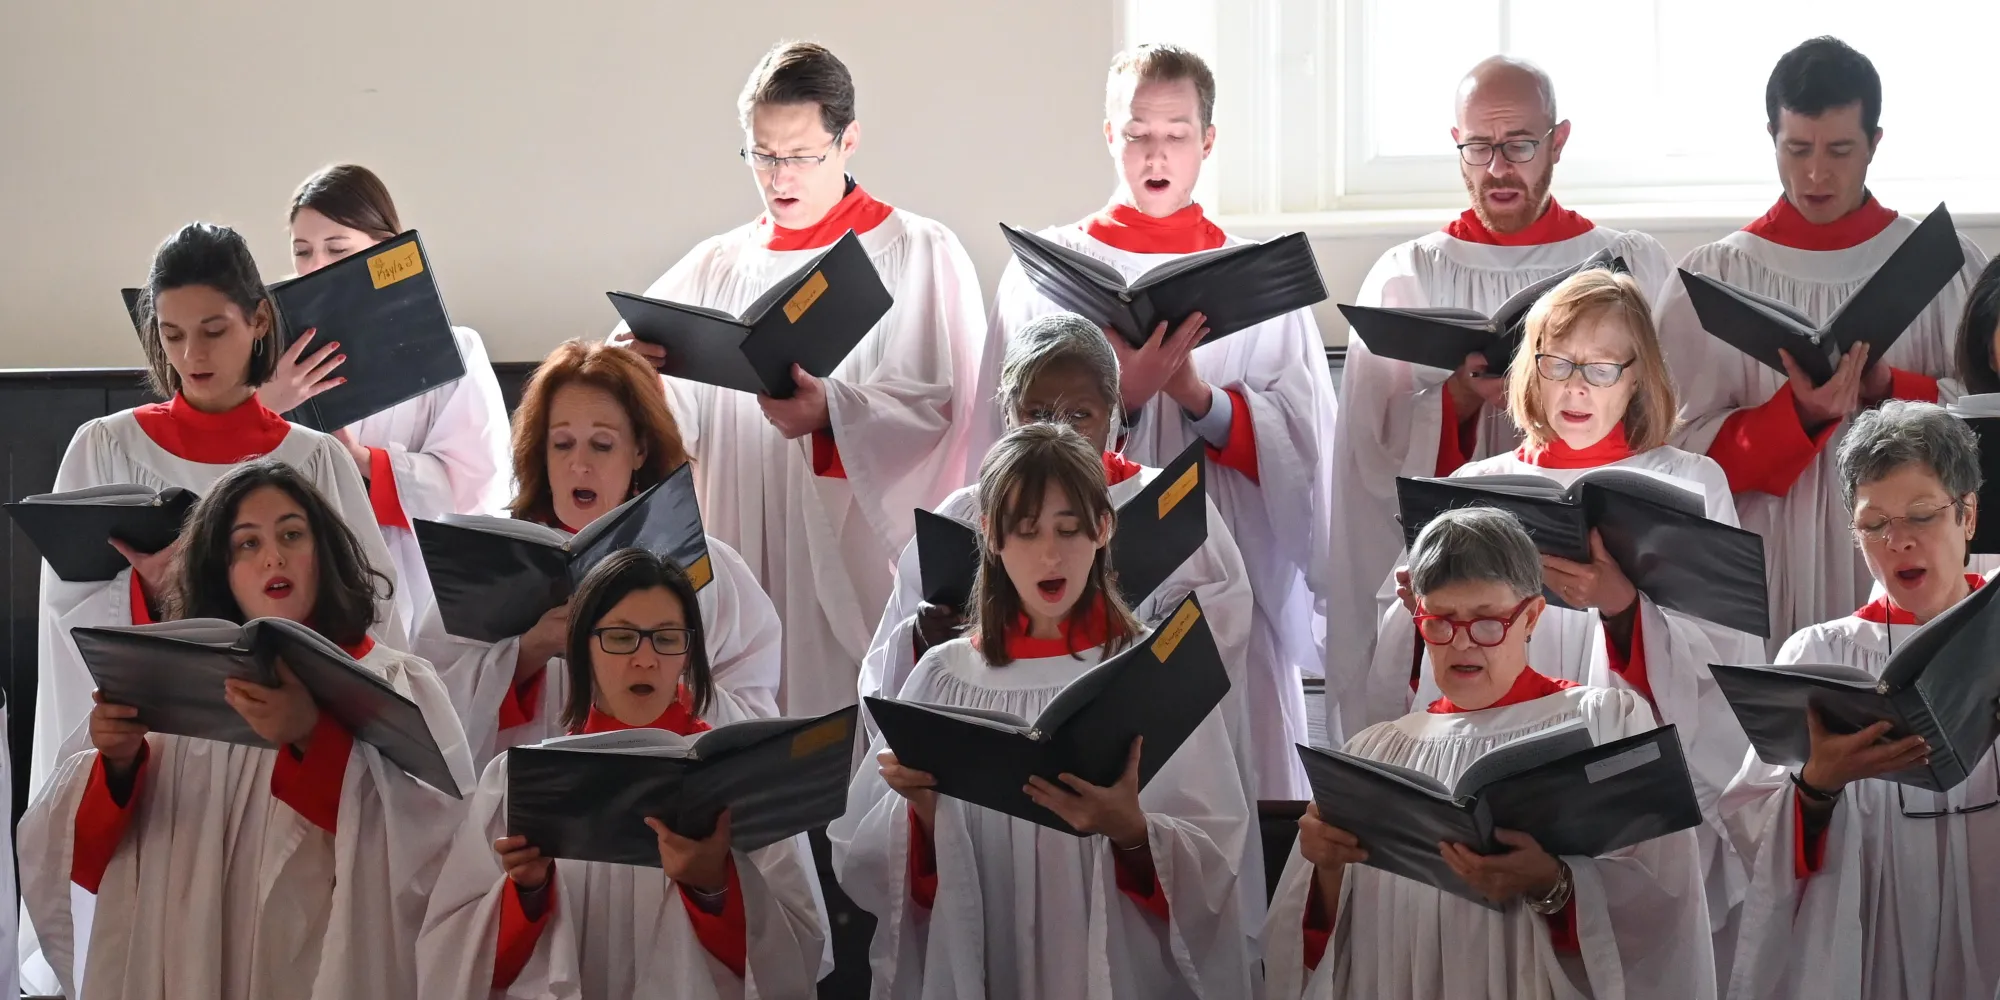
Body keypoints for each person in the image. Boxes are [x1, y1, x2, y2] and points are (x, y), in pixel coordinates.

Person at [1363, 268, 1760, 971]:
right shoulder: (1472, 489)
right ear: (1532, 370)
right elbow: (1401, 667)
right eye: (1559, 363)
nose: (1577, 388)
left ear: (1638, 379)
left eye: (1602, 368)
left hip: (1617, 770)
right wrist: (1415, 610)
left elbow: (1726, 658)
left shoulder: (1692, 483)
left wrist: (1623, 608)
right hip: (1485, 757)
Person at [982, 42, 1338, 771]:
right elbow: (1006, 432)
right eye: (1138, 131)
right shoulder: (1043, 276)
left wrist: (1197, 398)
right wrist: (1127, 397)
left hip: (1223, 553)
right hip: (1075, 551)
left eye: (1176, 133)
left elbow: (1307, 447)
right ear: (1109, 134)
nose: (1156, 153)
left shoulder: (1260, 280)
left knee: (1222, 769)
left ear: (1208, 140)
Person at [608, 41, 989, 717]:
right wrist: (642, 378)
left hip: (842, 551)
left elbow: (948, 410)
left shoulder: (916, 252)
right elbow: (643, 393)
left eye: (801, 156)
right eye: (762, 155)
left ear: (849, 141)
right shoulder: (716, 265)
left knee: (835, 713)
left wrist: (834, 413)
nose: (779, 177)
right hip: (736, 517)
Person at [18, 460, 474, 1000]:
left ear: (324, 552)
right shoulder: (172, 687)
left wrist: (313, 738)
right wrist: (118, 765)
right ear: (221, 570)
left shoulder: (396, 682)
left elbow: (436, 849)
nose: (273, 557)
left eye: (291, 534)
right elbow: (76, 855)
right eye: (247, 544)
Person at [831, 422, 1256, 998]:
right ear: (991, 535)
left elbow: (1218, 858)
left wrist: (1132, 833)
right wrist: (923, 814)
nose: (1050, 555)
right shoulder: (942, 677)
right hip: (990, 949)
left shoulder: (1155, 672)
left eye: (1069, 528)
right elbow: (864, 862)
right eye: (1026, 532)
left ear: (1103, 527)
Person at [1326, 54, 1679, 745]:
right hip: (1470, 592)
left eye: (1518, 145)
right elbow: (1369, 460)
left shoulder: (1629, 265)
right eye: (1478, 148)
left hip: (1592, 573)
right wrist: (1459, 399)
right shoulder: (1408, 274)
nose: (1497, 168)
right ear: (1455, 143)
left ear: (1558, 140)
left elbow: (1664, 417)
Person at [1266, 506, 1715, 999]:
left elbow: (1663, 904)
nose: (1462, 645)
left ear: (1531, 617)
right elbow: (1308, 949)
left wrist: (1554, 884)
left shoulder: (1607, 724)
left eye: (1486, 622)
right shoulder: (1375, 752)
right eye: (1440, 622)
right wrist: (1326, 868)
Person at [29, 223, 405, 802]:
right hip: (157, 749)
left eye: (213, 330)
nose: (192, 355)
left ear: (259, 321)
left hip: (280, 741)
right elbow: (64, 613)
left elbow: (371, 609)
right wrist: (147, 590)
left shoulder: (316, 460)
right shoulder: (105, 447)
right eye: (172, 334)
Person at [1657, 37, 1992, 647]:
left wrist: (1891, 390)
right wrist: (1797, 417)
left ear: (1874, 143)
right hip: (1771, 546)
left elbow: (1986, 419)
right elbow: (1670, 453)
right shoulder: (1715, 277)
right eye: (1797, 148)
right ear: (1772, 136)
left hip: (1917, 546)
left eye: (1840, 150)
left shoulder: (1946, 267)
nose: (1816, 173)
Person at [417, 548, 827, 998]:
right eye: (620, 637)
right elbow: (450, 957)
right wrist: (527, 892)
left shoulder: (738, 778)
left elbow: (795, 957)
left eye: (666, 638)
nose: (645, 659)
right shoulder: (518, 781)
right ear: (582, 648)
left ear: (688, 653)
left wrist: (714, 887)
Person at [1719, 401, 2000, 999]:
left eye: (1921, 515)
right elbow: (1752, 829)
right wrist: (1816, 788)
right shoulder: (1821, 656)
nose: (1898, 542)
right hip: (1876, 936)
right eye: (1874, 525)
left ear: (1968, 514)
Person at [417, 340, 780, 768]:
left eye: (602, 444)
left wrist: (658, 664)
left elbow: (753, 716)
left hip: (671, 792)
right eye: (562, 444)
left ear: (639, 450)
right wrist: (531, 649)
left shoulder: (710, 565)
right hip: (531, 795)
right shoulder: (484, 561)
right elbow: (433, 710)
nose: (579, 464)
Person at [264, 163, 513, 631]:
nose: (315, 267)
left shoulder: (454, 350)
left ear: (383, 248)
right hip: (298, 573)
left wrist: (361, 460)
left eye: (337, 248)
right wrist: (268, 404)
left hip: (412, 582)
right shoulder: (268, 363)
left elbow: (476, 484)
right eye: (302, 251)